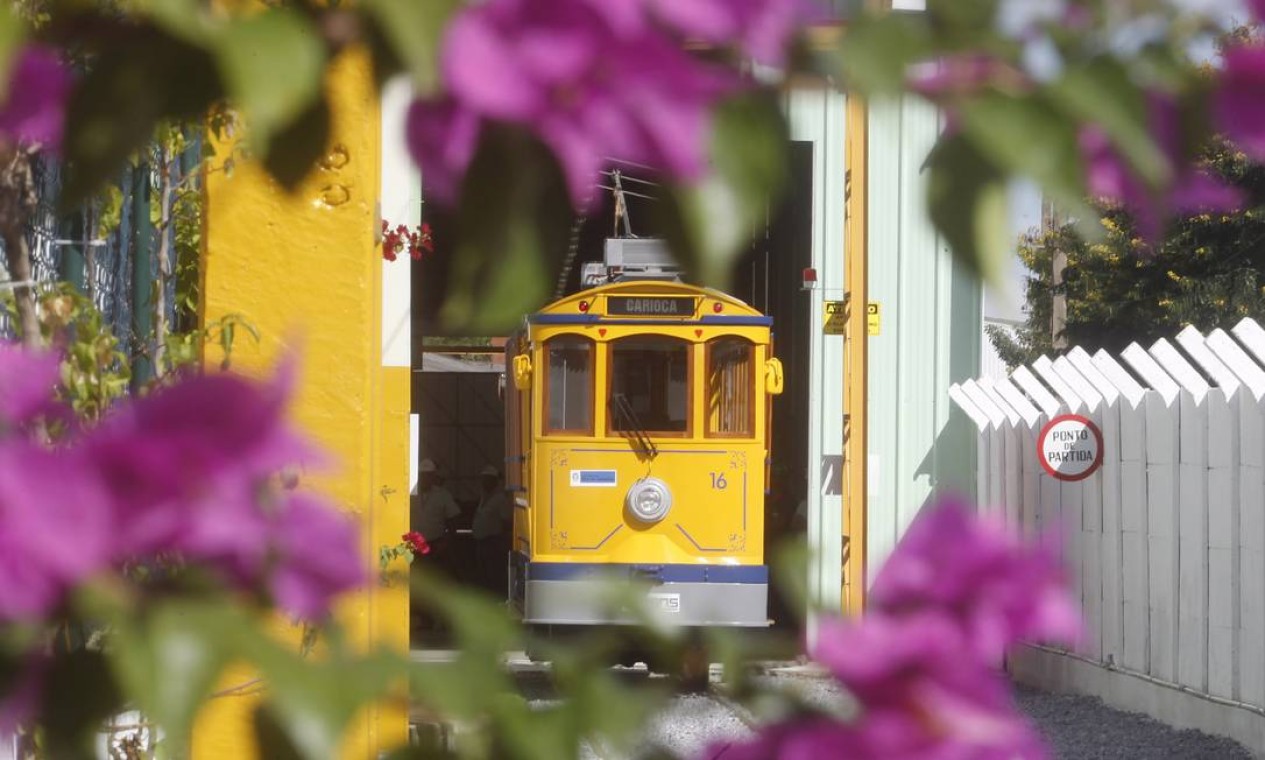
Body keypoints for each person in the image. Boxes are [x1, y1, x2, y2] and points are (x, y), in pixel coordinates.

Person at [470, 465, 511, 595]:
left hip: (493, 543)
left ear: (494, 481)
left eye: (488, 479)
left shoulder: (500, 499)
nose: (484, 482)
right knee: (483, 574)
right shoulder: (483, 497)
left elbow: (506, 521)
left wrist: (502, 542)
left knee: (494, 574)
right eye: (483, 479)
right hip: (481, 542)